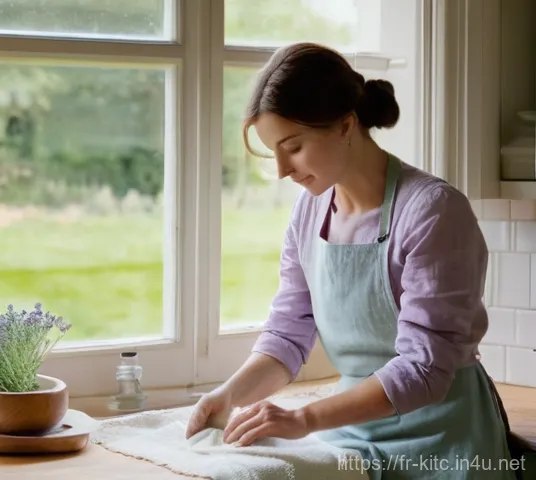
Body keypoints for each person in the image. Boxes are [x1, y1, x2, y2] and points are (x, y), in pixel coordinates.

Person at [185, 42, 535, 479]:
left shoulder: (433, 211)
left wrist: (304, 418)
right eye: (272, 150)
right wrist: (228, 395)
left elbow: (424, 369)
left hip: (444, 442)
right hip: (350, 433)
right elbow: (288, 335)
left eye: (292, 146)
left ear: (345, 125)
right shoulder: (309, 212)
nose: (281, 170)